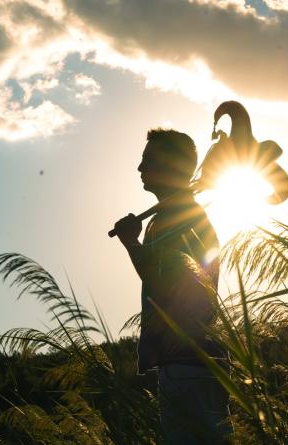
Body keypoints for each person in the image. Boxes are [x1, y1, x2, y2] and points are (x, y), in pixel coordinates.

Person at [114, 129, 231, 444]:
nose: (140, 168)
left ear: (172, 165)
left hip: (189, 365)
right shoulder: (176, 215)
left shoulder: (176, 218)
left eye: (148, 160)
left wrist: (130, 243)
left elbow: (162, 281)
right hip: (188, 363)